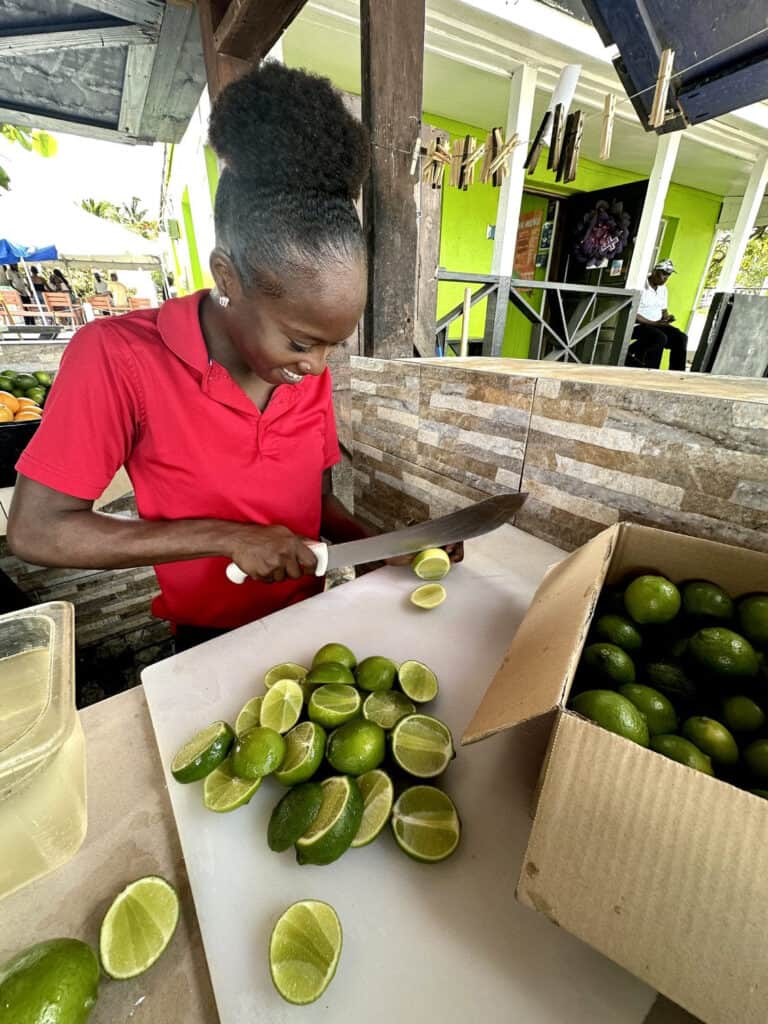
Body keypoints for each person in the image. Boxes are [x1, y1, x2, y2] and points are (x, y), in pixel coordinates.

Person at [7, 63, 457, 653]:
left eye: (331, 346)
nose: (318, 368)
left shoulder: (298, 371)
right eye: (300, 342)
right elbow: (38, 530)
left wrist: (376, 545)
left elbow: (314, 507)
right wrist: (228, 537)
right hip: (207, 643)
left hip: (315, 619)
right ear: (228, 276)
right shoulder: (118, 357)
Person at [626, 259, 687, 371]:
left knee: (681, 338)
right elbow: (632, 313)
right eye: (663, 274)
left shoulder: (663, 289)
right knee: (660, 337)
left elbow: (663, 310)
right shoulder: (640, 285)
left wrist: (667, 318)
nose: (665, 278)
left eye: (668, 276)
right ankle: (651, 370)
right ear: (654, 272)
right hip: (639, 325)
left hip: (657, 324)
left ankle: (677, 372)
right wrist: (654, 323)